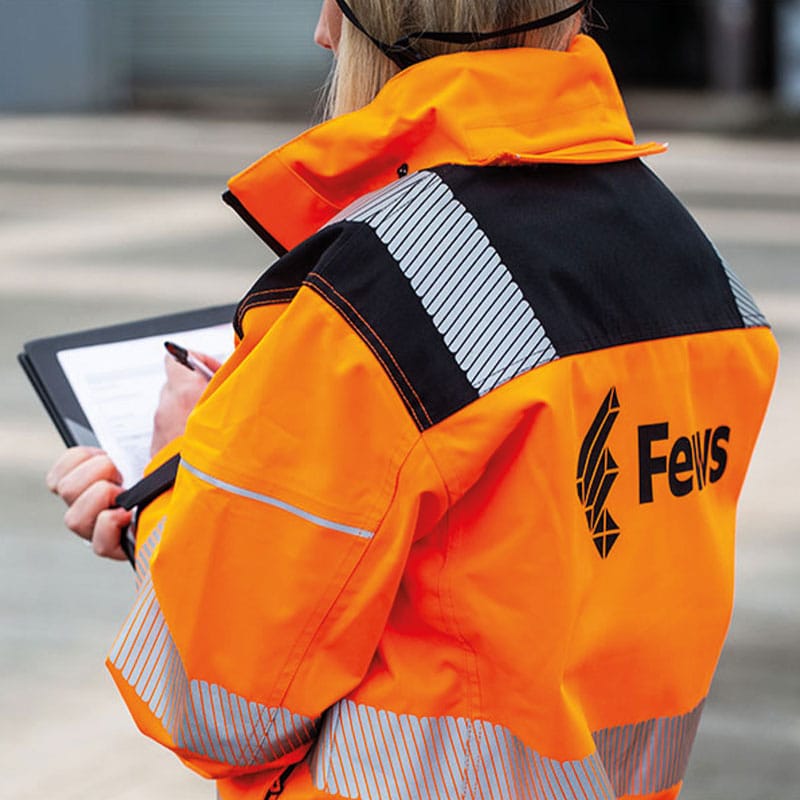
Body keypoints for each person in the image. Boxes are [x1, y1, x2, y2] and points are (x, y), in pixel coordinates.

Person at [46, 2, 778, 799]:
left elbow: (220, 704)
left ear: (392, 21)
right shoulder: (700, 274)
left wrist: (171, 479)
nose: (322, 30)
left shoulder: (377, 299)